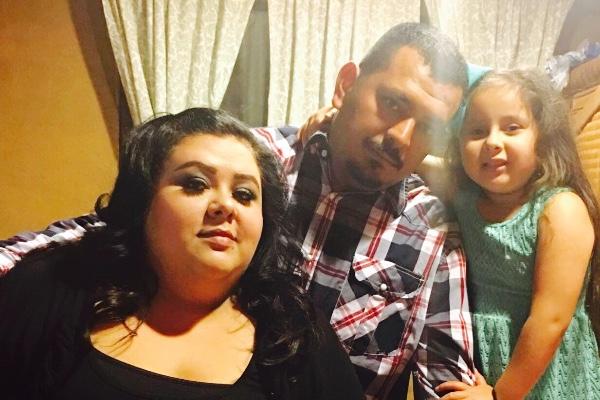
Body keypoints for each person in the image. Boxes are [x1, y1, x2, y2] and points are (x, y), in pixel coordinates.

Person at [0, 23, 475, 399]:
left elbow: (449, 382)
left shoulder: (434, 234)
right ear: (345, 85)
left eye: (429, 128)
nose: (402, 137)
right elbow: (109, 232)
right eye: (392, 103)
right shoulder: (248, 163)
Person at [0, 108, 364, 400]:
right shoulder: (49, 290)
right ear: (142, 202)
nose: (225, 205)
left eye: (244, 194)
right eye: (195, 184)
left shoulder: (299, 337)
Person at [424, 70, 600, 399]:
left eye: (512, 128)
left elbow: (551, 320)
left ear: (543, 139)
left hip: (548, 377)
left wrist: (499, 396)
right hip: (486, 370)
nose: (492, 142)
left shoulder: (560, 209)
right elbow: (420, 162)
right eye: (477, 131)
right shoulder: (465, 198)